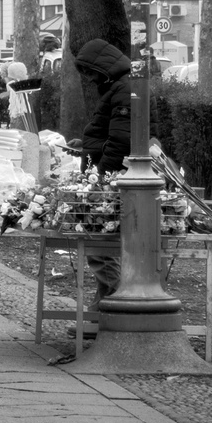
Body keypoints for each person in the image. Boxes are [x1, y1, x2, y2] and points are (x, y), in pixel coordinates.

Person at [74, 37, 132, 311]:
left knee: (100, 240)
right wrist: (86, 146)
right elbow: (112, 134)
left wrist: (100, 177)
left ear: (102, 67)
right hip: (113, 173)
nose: (88, 78)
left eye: (89, 72)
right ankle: (105, 301)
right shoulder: (119, 88)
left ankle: (115, 302)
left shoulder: (123, 90)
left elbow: (120, 141)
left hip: (114, 177)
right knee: (102, 238)